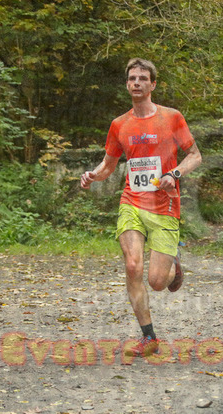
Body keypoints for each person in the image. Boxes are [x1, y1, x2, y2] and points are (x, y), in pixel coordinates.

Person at [80, 58, 202, 356]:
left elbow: (195, 156)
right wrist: (93, 175)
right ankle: (149, 338)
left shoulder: (172, 117)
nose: (137, 82)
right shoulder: (119, 124)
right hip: (131, 202)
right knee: (132, 265)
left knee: (157, 282)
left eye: (143, 78)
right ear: (127, 84)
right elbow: (109, 165)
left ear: (153, 84)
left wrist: (174, 174)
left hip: (164, 205)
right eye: (132, 78)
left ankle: (173, 264)